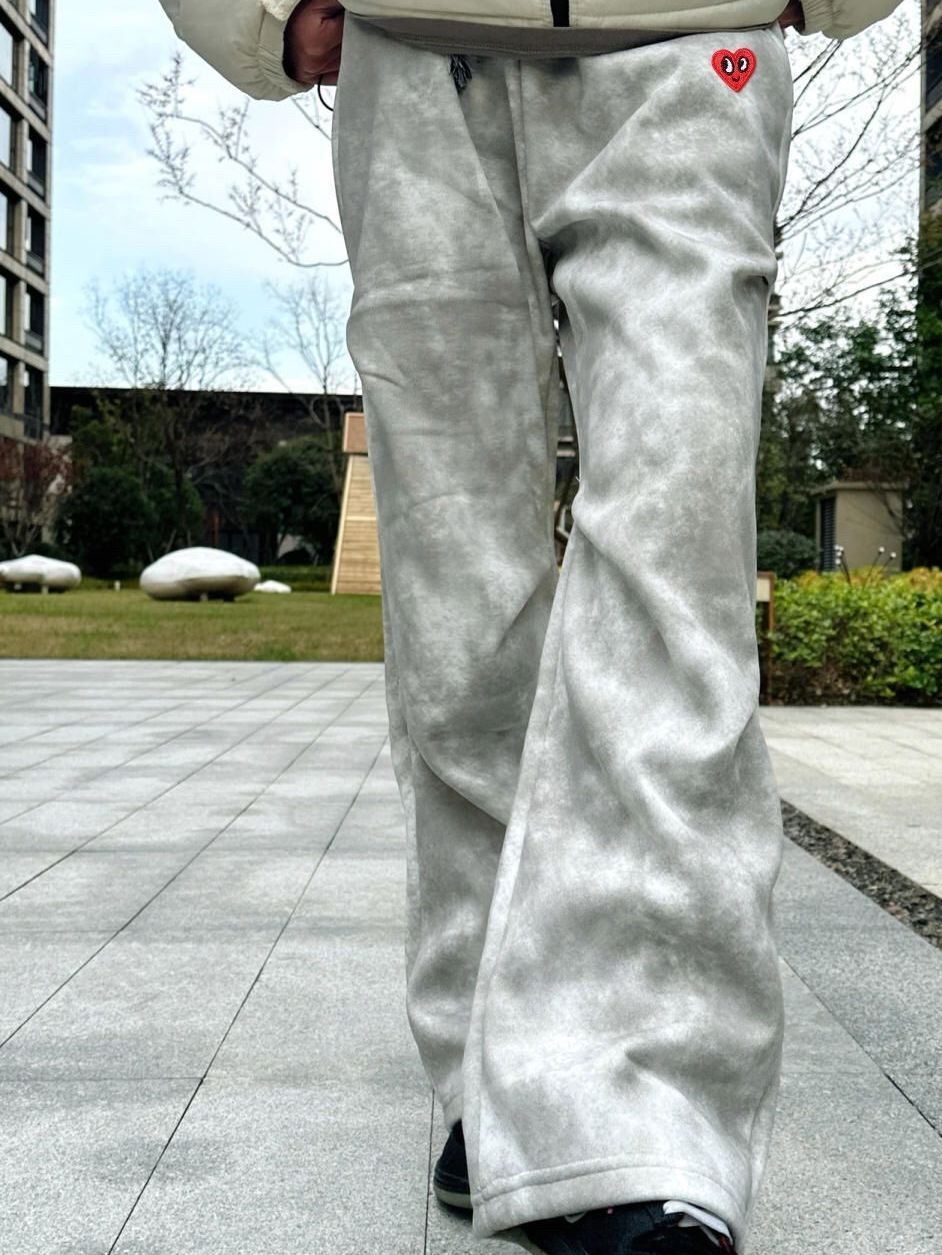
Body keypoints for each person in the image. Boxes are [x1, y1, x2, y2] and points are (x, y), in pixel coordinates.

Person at [156, 2, 904, 1252]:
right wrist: (255, 15)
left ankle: (651, 1116)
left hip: (684, 39)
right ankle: (490, 1075)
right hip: (414, 56)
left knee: (674, 574)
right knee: (462, 620)